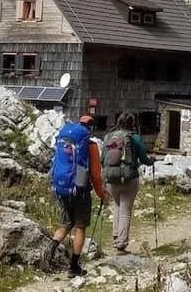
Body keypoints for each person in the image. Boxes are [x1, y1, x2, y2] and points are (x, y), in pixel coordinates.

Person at [47, 116, 106, 278]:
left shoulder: (64, 139)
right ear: (91, 128)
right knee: (80, 227)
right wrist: (102, 194)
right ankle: (73, 267)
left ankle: (49, 251)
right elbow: (95, 174)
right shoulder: (90, 145)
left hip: (62, 187)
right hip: (80, 190)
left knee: (65, 223)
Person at [101, 112, 155, 254]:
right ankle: (121, 242)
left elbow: (102, 159)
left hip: (111, 179)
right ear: (132, 123)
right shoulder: (135, 137)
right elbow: (144, 159)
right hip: (129, 179)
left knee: (117, 206)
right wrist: (152, 161)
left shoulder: (108, 137)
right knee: (125, 210)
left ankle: (115, 237)